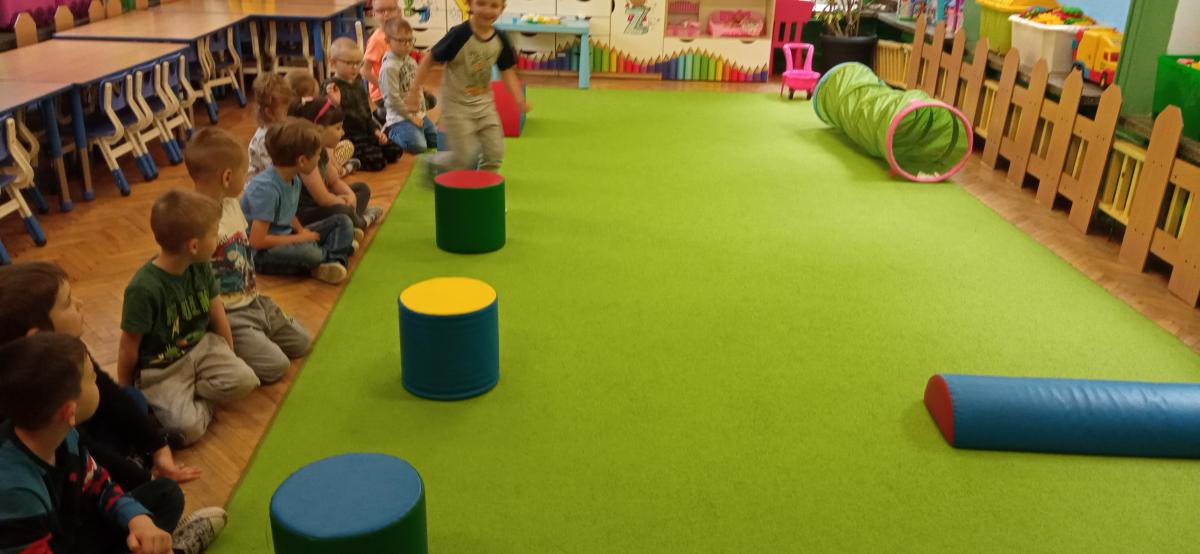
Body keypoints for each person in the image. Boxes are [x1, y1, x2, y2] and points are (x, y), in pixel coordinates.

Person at [0, 333, 224, 554]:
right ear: (69, 411)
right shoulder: (16, 489)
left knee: (167, 494)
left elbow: (99, 486)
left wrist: (138, 519)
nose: (98, 381)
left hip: (71, 534)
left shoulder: (63, 433)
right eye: (92, 378)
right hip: (51, 544)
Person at [0, 262, 200, 491]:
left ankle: (137, 453)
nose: (80, 303)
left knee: (130, 397)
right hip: (69, 468)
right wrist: (145, 481)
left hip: (83, 427)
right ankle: (132, 460)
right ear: (38, 337)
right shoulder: (32, 401)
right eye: (67, 303)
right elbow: (82, 449)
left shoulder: (59, 354)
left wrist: (157, 446)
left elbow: (108, 392)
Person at [118, 190, 260, 446]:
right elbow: (128, 345)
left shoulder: (200, 265)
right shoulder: (143, 289)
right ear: (193, 246)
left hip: (202, 348)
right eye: (214, 234)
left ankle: (186, 397)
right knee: (188, 430)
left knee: (246, 380)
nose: (218, 239)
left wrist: (229, 355)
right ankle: (183, 401)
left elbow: (217, 312)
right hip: (162, 368)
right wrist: (126, 395)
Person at [184, 127, 314, 382]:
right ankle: (220, 351)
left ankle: (257, 334)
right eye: (244, 173)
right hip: (229, 315)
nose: (247, 179)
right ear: (227, 177)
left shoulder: (231, 202)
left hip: (253, 300)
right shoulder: (195, 225)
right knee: (276, 366)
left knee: (302, 342)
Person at [406, 0, 529, 173]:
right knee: (463, 157)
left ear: (502, 9)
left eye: (494, 6)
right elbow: (429, 59)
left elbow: (507, 71)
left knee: (495, 152)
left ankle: (484, 184)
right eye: (481, 3)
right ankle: (432, 163)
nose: (487, 10)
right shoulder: (460, 34)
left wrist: (519, 100)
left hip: (484, 105)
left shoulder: (500, 38)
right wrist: (413, 92)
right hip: (456, 105)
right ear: (469, 4)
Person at [241, 117, 357, 284]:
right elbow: (257, 241)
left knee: (343, 222)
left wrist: (301, 231)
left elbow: (288, 212)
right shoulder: (266, 189)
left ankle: (329, 261)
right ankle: (331, 256)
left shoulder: (294, 178)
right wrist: (300, 239)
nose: (319, 159)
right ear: (302, 161)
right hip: (261, 253)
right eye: (317, 155)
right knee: (311, 254)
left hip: (286, 235)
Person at [290, 99, 385, 236]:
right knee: (343, 210)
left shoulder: (322, 150)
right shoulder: (307, 156)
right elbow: (323, 198)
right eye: (338, 128)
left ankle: (350, 224)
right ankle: (362, 222)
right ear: (319, 129)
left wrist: (350, 196)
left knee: (362, 189)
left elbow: (334, 181)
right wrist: (342, 203)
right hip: (306, 214)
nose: (343, 132)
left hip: (324, 205)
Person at [323, 38, 403, 171]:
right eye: (349, 63)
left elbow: (367, 115)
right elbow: (327, 121)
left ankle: (369, 150)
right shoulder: (330, 86)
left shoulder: (359, 85)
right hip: (346, 138)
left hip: (365, 134)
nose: (355, 68)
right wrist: (336, 104)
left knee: (395, 151)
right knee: (377, 161)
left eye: (358, 63)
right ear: (333, 62)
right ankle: (348, 161)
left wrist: (376, 132)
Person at [284, 69, 360, 177]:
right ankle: (340, 171)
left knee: (347, 145)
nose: (318, 99)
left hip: (323, 152)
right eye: (315, 96)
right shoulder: (301, 125)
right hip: (314, 161)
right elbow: (324, 139)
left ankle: (337, 169)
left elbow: (329, 134)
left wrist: (335, 103)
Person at [380, 17, 439, 154]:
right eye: (401, 40)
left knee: (436, 141)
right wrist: (411, 118)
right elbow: (392, 99)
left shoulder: (410, 60)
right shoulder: (389, 67)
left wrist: (423, 92)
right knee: (419, 147)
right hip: (400, 119)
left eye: (410, 40)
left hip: (419, 114)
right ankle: (391, 133)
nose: (407, 45)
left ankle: (413, 133)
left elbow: (413, 82)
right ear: (388, 41)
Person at [247, 73, 296, 182]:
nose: (288, 113)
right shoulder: (264, 139)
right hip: (262, 187)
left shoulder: (278, 130)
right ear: (269, 112)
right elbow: (275, 172)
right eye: (285, 110)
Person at [362, 0, 402, 107]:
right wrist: (385, 87)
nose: (386, 14)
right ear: (373, 14)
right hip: (382, 95)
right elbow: (365, 71)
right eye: (381, 11)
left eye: (391, 9)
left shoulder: (398, 34)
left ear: (399, 12)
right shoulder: (376, 40)